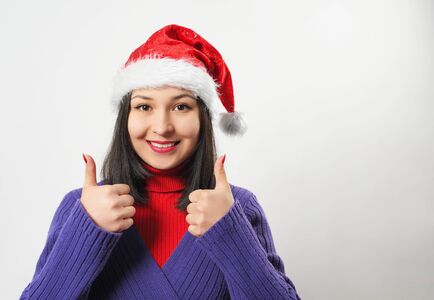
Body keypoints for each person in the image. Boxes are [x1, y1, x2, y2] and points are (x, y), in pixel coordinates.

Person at [20, 24, 301, 300]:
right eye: (144, 106)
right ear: (125, 118)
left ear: (202, 118)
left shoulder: (237, 208)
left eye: (181, 106)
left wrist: (230, 232)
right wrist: (86, 231)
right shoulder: (80, 208)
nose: (162, 127)